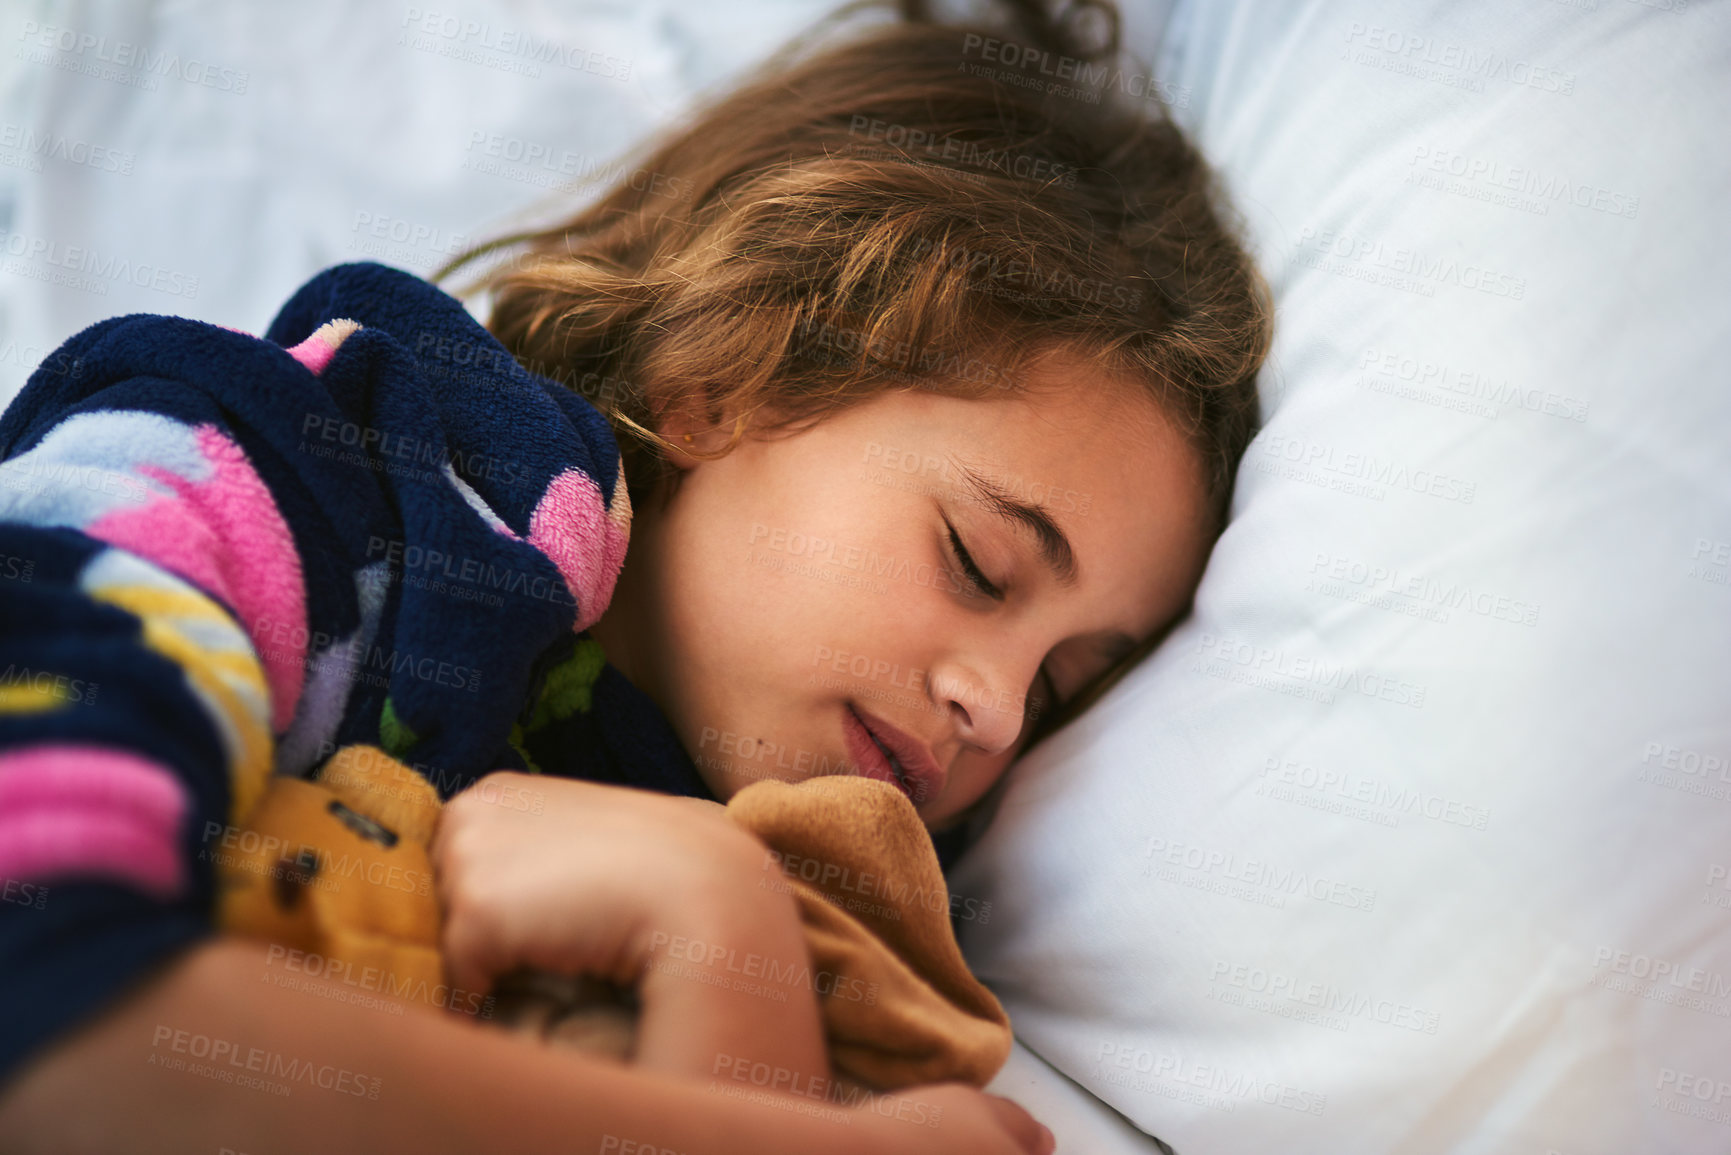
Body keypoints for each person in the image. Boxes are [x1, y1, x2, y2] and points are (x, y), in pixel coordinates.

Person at [0, 0, 1269, 1150]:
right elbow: (47, 993)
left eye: (1060, 687)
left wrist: (719, 936)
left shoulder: (833, 929)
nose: (996, 707)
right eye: (978, 564)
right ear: (724, 376)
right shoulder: (276, 466)